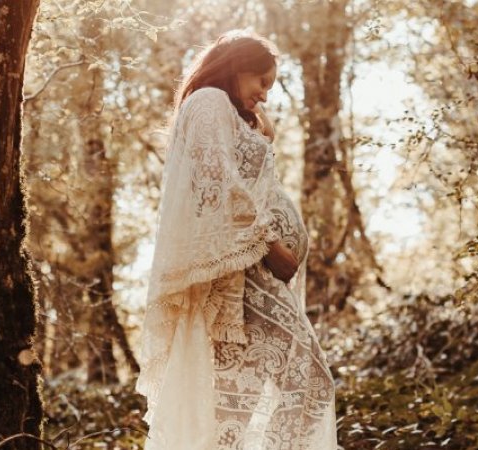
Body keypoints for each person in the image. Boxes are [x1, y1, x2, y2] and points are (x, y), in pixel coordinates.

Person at [135, 29, 339, 449]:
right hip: (240, 275)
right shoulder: (208, 101)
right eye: (261, 82)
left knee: (233, 406)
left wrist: (258, 129)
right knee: (309, 381)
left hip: (243, 278)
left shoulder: (219, 108)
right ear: (236, 65)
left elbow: (240, 173)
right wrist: (270, 249)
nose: (265, 95)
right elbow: (217, 184)